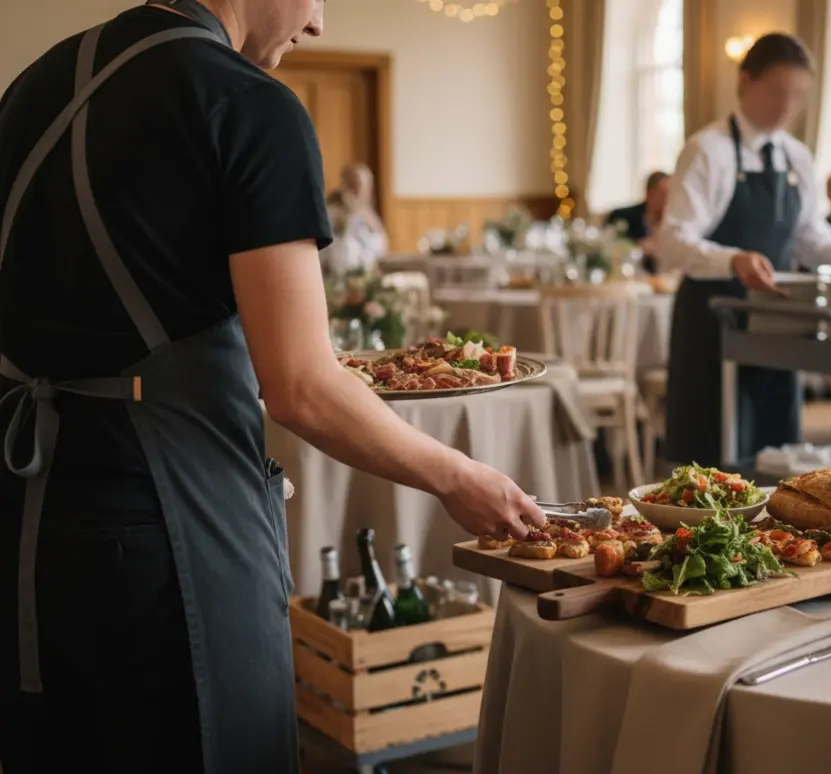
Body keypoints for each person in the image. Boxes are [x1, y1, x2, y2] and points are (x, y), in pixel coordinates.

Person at [0, 2, 543, 771]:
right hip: (167, 527)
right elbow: (300, 385)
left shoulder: (36, 83)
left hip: (26, 515)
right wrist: (457, 474)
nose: (318, 22)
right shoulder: (248, 103)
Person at [657, 33, 831, 466]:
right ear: (745, 81)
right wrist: (732, 260)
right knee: (713, 462)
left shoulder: (797, 157)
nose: (786, 106)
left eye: (798, 95)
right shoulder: (708, 150)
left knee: (778, 459)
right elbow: (673, 242)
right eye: (777, 91)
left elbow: (811, 240)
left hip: (778, 322)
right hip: (715, 321)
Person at [320, 161, 389, 278]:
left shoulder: (370, 214)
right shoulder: (333, 211)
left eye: (365, 185)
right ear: (346, 184)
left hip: (367, 275)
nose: (360, 190)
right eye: (356, 184)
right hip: (338, 276)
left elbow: (384, 248)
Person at [607, 170, 669, 273]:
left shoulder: (676, 223)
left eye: (669, 194)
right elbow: (610, 246)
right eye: (662, 194)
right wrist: (638, 246)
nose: (666, 199)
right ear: (649, 194)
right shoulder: (622, 216)